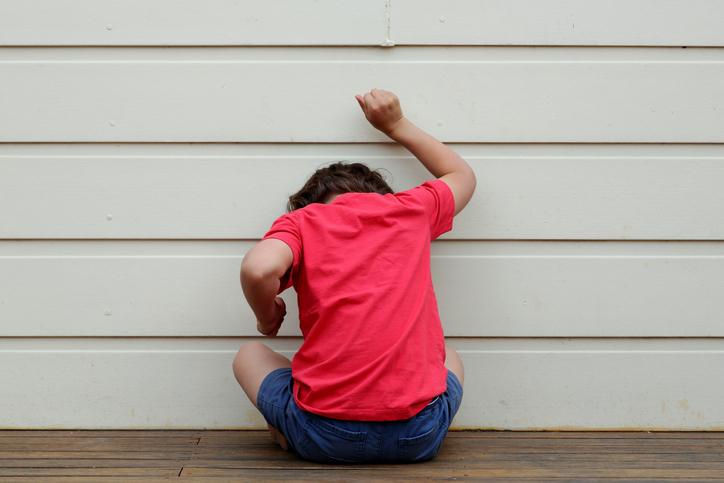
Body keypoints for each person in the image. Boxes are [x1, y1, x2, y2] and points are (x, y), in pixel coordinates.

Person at [232, 89, 476, 463]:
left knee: (249, 354)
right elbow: (462, 175)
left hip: (324, 436)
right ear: (382, 195)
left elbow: (258, 267)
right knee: (451, 358)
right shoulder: (411, 209)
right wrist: (396, 124)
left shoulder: (304, 221)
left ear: (311, 201)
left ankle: (288, 431)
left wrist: (267, 315)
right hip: (418, 437)